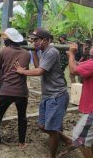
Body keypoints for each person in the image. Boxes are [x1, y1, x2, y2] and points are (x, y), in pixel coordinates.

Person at [14, 28, 69, 158]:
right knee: (42, 126)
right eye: (32, 40)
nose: (33, 42)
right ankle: (66, 140)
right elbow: (39, 65)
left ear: (45, 40)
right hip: (48, 94)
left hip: (57, 94)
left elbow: (39, 71)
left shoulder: (52, 52)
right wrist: (34, 51)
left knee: (51, 128)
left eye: (36, 40)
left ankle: (52, 156)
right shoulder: (43, 51)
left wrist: (22, 71)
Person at [61, 39, 93, 158]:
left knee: (79, 139)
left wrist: (72, 54)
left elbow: (73, 70)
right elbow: (77, 65)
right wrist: (71, 56)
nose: (91, 47)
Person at [0, 28, 30, 151]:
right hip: (22, 92)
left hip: (6, 90)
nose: (4, 40)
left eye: (5, 39)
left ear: (9, 40)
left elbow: (1, 72)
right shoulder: (27, 54)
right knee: (22, 117)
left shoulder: (4, 51)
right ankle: (21, 143)